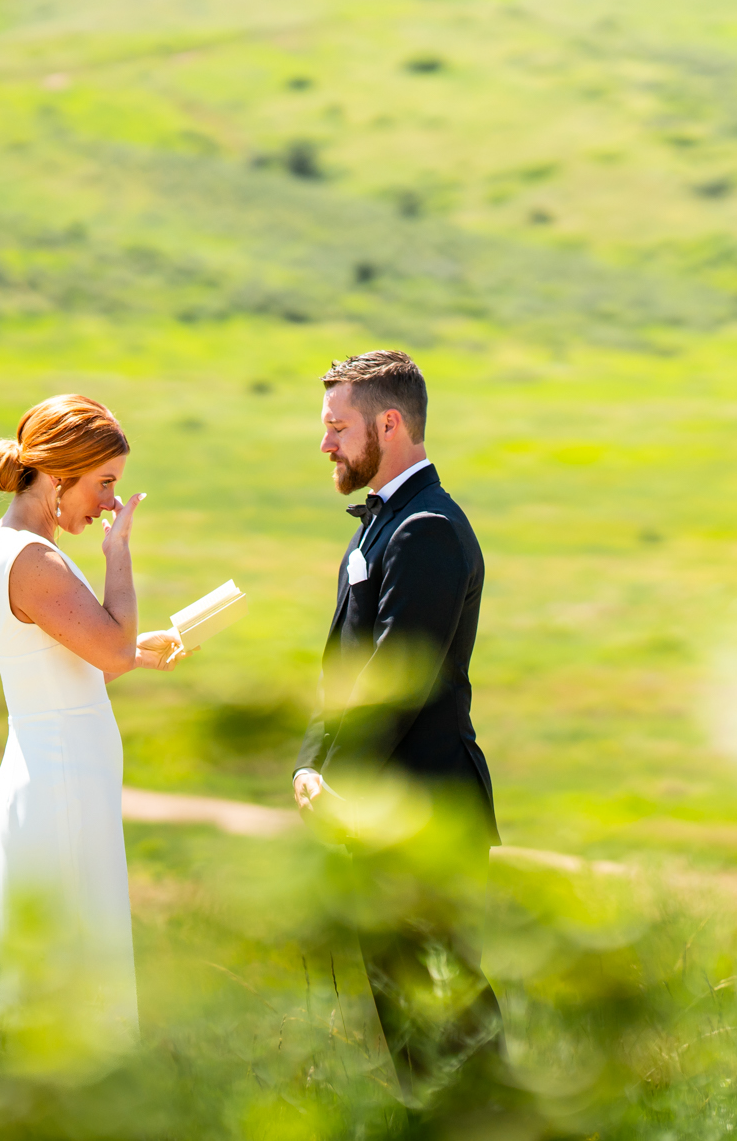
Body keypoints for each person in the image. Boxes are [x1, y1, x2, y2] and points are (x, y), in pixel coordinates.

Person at [294, 350, 505, 1096]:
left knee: (447, 1018)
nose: (326, 445)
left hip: (423, 812)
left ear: (390, 423)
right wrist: (310, 765)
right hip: (377, 812)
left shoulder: (427, 530)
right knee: (408, 1028)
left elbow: (396, 681)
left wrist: (336, 781)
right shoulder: (384, 524)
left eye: (337, 428)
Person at [0, 394, 185, 1057]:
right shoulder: (35, 559)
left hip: (56, 771)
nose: (108, 504)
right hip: (61, 781)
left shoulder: (11, 551)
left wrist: (126, 645)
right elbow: (116, 649)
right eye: (104, 485)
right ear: (60, 476)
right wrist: (117, 551)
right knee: (75, 972)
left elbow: (95, 657)